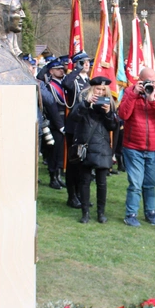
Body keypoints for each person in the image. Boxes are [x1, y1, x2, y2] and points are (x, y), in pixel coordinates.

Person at [118, 66, 155, 226]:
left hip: (153, 146)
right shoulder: (130, 92)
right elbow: (123, 114)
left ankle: (150, 212)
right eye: (148, 82)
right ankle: (131, 214)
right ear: (140, 80)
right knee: (135, 183)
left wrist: (152, 99)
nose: (152, 84)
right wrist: (134, 94)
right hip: (133, 145)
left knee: (150, 183)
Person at [67, 76, 118, 223]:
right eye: (98, 89)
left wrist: (108, 112)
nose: (101, 92)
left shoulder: (109, 103)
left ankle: (101, 213)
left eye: (103, 89)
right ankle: (85, 213)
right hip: (86, 146)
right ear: (92, 89)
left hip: (102, 147)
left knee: (102, 182)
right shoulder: (84, 101)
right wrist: (86, 104)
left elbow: (113, 127)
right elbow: (73, 118)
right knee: (84, 181)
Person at [62, 51, 91, 208]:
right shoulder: (74, 79)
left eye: (87, 62)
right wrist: (76, 69)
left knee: (83, 162)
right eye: (83, 62)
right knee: (73, 162)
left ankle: (82, 193)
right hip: (74, 126)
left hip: (85, 126)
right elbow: (66, 85)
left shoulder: (89, 80)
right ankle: (72, 195)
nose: (87, 64)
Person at [37, 56, 67, 190]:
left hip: (64, 119)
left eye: (62, 69)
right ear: (51, 71)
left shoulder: (63, 84)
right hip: (55, 122)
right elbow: (52, 106)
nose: (61, 71)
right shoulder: (49, 86)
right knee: (53, 151)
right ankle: (53, 177)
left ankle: (58, 176)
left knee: (60, 151)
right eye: (57, 69)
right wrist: (60, 125)